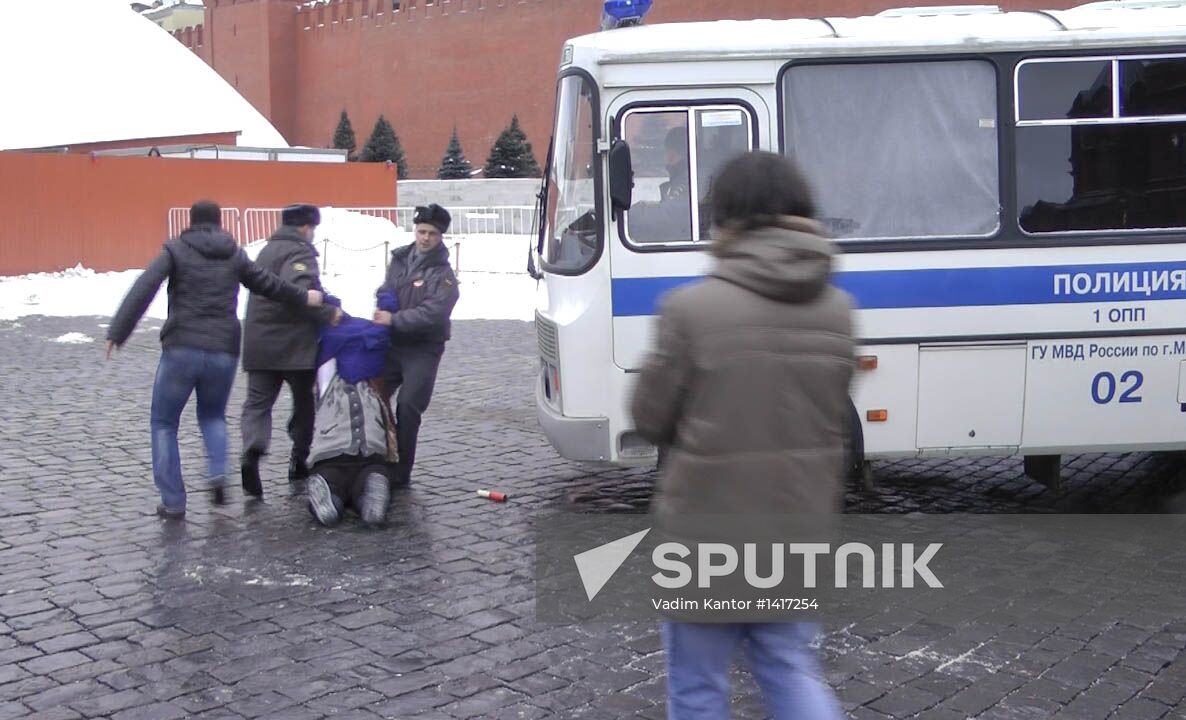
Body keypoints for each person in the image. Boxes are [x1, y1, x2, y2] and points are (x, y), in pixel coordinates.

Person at [630, 151, 854, 719]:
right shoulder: (837, 310)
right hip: (797, 527)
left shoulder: (690, 308)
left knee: (699, 686)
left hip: (706, 534)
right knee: (789, 669)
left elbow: (651, 417)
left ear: (726, 218)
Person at [106, 200, 325, 519]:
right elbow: (269, 284)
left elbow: (146, 286)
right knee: (212, 417)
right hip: (223, 350)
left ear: (191, 222)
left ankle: (173, 502)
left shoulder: (176, 250)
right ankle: (217, 474)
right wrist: (304, 295)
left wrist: (118, 331)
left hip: (182, 347)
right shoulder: (234, 254)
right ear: (219, 223)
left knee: (164, 423)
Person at [240, 203, 341, 498]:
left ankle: (252, 452)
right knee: (304, 403)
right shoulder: (299, 251)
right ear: (306, 228)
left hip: (258, 342)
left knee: (257, 404)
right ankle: (299, 459)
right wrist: (327, 314)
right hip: (293, 345)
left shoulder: (266, 250)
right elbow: (298, 293)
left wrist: (328, 297)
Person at [372, 203, 460, 486]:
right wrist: (385, 301)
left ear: (440, 236)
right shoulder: (400, 259)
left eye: (432, 233)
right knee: (372, 394)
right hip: (392, 345)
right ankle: (374, 458)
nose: (425, 238)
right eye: (421, 231)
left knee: (409, 406)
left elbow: (433, 314)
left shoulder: (444, 276)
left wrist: (393, 319)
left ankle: (401, 471)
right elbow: (387, 287)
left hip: (423, 349)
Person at [304, 296, 399, 528]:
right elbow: (381, 335)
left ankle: (330, 499)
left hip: (331, 452)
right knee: (372, 477)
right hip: (370, 452)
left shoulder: (328, 378)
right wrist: (385, 307)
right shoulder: (375, 383)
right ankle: (370, 500)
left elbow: (323, 329)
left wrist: (328, 306)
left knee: (332, 480)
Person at [629, 126, 694, 243]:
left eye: (666, 151)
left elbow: (670, 217)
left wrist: (630, 215)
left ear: (672, 154)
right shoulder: (684, 178)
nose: (665, 157)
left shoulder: (687, 181)